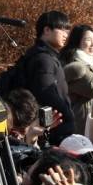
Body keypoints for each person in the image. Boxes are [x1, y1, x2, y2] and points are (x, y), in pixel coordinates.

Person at [20, 10, 75, 145]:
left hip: (48, 128)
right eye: (62, 29)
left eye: (67, 30)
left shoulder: (45, 56)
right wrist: (68, 115)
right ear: (47, 30)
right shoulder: (44, 59)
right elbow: (46, 93)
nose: (66, 34)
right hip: (51, 132)